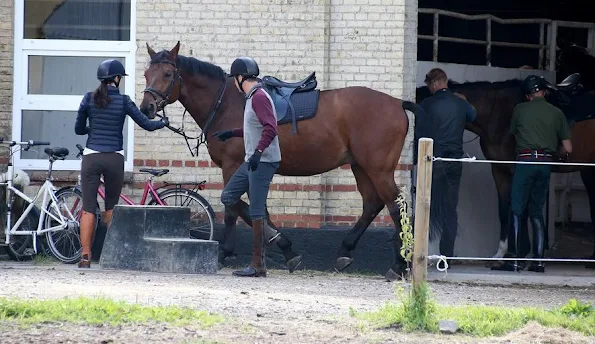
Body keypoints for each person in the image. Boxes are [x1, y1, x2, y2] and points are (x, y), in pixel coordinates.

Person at [74, 59, 168, 268]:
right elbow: (147, 125)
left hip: (91, 157)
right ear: (116, 79)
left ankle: (86, 255)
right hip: (114, 158)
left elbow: (78, 130)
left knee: (88, 207)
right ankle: (113, 254)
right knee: (110, 207)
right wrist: (163, 122)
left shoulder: (88, 99)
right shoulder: (124, 101)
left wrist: (93, 130)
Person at [494, 75, 572, 273]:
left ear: (528, 95)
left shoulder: (520, 110)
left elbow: (511, 136)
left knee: (517, 210)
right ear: (543, 92)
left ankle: (515, 259)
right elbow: (568, 148)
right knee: (536, 212)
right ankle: (538, 262)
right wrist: (555, 155)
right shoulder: (557, 113)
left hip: (525, 161)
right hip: (545, 163)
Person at [212, 56, 281, 278]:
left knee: (257, 210)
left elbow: (271, 128)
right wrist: (231, 133)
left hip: (263, 161)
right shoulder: (252, 97)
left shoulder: (259, 97)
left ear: (241, 78)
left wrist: (259, 152)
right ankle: (269, 232)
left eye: (235, 78)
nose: (234, 82)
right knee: (228, 196)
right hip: (253, 159)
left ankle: (258, 264)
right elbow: (254, 128)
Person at [419, 68, 477, 264]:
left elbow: (419, 131)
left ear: (435, 83)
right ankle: (447, 257)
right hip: (455, 162)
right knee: (450, 209)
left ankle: (420, 254)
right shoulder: (459, 102)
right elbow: (473, 115)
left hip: (433, 161)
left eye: (428, 85)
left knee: (426, 206)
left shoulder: (427, 104)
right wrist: (464, 100)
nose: (428, 88)